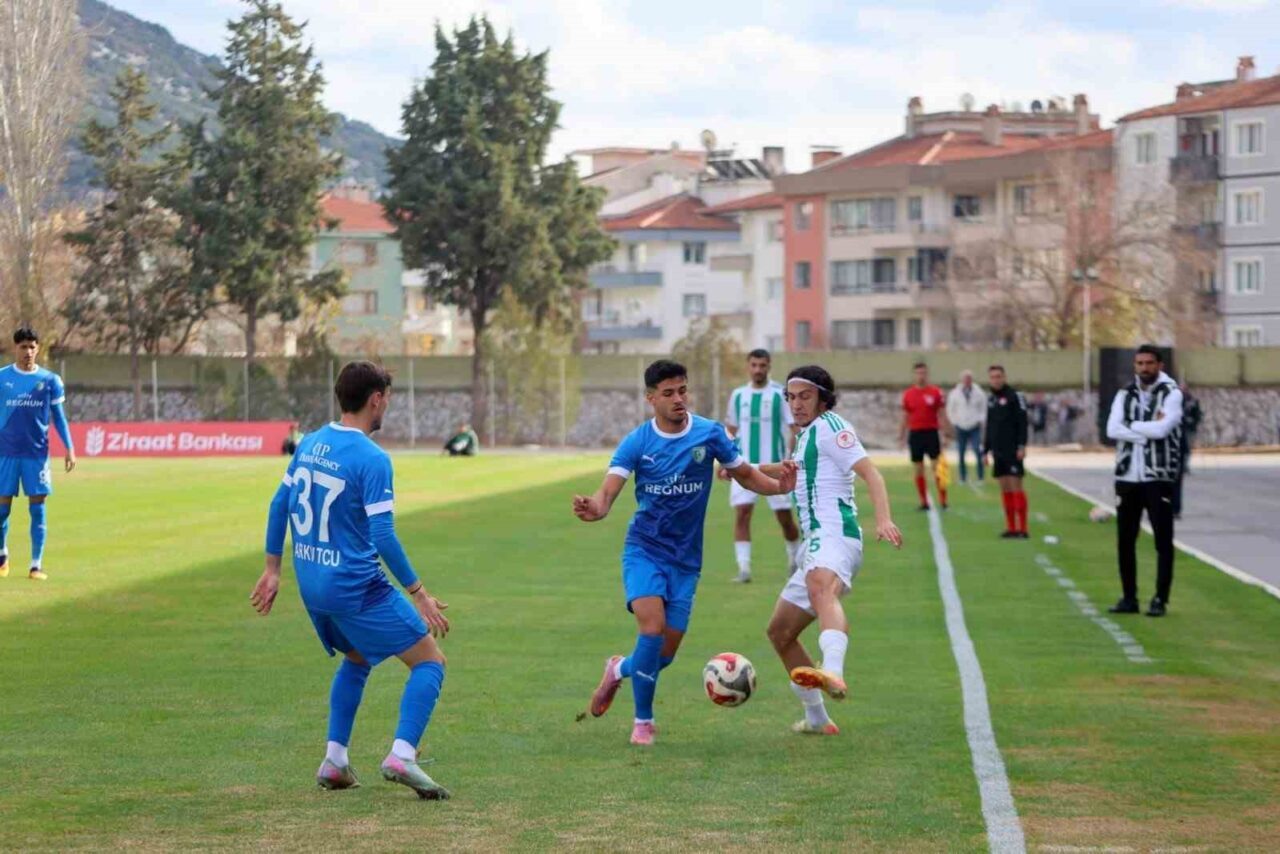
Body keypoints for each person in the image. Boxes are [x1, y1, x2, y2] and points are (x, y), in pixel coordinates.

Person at [250, 361, 453, 799]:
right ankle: (402, 755)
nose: (387, 407)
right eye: (387, 399)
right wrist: (419, 594)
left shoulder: (310, 442)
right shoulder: (372, 458)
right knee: (430, 662)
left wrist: (272, 569)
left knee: (358, 657)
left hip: (313, 586)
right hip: (355, 586)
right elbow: (383, 535)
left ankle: (335, 760)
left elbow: (278, 504)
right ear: (376, 399)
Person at [574, 359, 795, 746]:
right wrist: (595, 508)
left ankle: (618, 670)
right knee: (651, 630)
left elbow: (745, 474)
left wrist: (779, 488)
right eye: (668, 393)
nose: (678, 399)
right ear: (651, 398)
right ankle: (643, 722)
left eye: (682, 390)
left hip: (686, 560)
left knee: (663, 655)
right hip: (644, 549)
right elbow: (607, 492)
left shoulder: (709, 433)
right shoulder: (638, 442)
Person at [762, 365, 903, 735]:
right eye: (791, 397)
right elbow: (786, 469)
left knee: (821, 587)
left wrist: (883, 520)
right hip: (815, 542)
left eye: (805, 396)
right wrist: (738, 468)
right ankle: (817, 718)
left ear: (823, 398)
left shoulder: (832, 426)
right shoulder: (806, 436)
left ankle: (834, 670)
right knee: (780, 632)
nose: (796, 404)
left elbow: (871, 473)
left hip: (835, 533)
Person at [1105, 345, 1183, 618]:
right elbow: (1111, 429)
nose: (1144, 368)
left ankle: (1160, 598)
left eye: (1149, 363)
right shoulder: (1124, 393)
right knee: (1125, 540)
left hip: (1158, 475)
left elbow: (1163, 430)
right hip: (1127, 475)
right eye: (1139, 363)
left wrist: (1131, 426)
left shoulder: (1171, 393)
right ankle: (1129, 598)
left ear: (1159, 365)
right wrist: (1145, 431)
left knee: (1163, 540)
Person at [0, 327, 76, 582]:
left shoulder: (50, 380)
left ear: (38, 348)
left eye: (32, 347)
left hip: (36, 455)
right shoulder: (2, 378)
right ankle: (2, 554)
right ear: (15, 349)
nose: (28, 351)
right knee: (2, 510)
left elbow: (59, 418)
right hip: (6, 453)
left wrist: (69, 447)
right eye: (23, 347)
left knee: (38, 509)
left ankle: (36, 565)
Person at [721, 348, 802, 583]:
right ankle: (744, 569)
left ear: (769, 366)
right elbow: (731, 430)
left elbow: (794, 429)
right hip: (743, 467)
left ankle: (795, 561)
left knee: (784, 518)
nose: (758, 369)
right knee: (742, 514)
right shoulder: (738, 395)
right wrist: (724, 459)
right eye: (754, 365)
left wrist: (791, 457)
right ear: (748, 366)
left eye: (762, 365)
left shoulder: (780, 394)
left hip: (776, 469)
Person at [982, 365, 1030, 539]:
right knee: (1004, 488)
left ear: (1004, 377)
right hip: (998, 451)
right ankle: (1011, 527)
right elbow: (990, 426)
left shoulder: (1015, 396)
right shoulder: (991, 399)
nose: (996, 380)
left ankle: (1022, 529)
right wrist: (985, 450)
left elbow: (1023, 423)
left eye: (998, 376)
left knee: (1016, 485)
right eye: (993, 377)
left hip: (1013, 449)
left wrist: (1022, 445)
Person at [899, 362, 950, 510]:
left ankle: (943, 499)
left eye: (923, 373)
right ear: (914, 375)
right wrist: (901, 435)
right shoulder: (908, 394)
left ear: (927, 374)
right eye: (918, 373)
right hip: (915, 434)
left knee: (937, 467)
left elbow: (942, 414)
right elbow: (905, 416)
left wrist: (946, 433)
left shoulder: (935, 392)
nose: (921, 376)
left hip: (931, 433)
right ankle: (923, 501)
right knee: (918, 468)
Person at [945, 370, 987, 484]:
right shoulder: (955, 393)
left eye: (969, 378)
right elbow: (950, 410)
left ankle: (980, 477)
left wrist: (980, 420)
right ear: (962, 380)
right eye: (965, 378)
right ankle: (962, 477)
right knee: (961, 452)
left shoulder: (979, 393)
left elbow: (983, 409)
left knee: (977, 451)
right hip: (960, 427)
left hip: (974, 426)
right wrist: (955, 422)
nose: (967, 381)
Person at [1172, 383, 1202, 519]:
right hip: (1169, 450)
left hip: (1181, 442)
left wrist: (1192, 421)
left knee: (1176, 481)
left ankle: (1175, 509)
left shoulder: (1191, 402)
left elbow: (1197, 415)